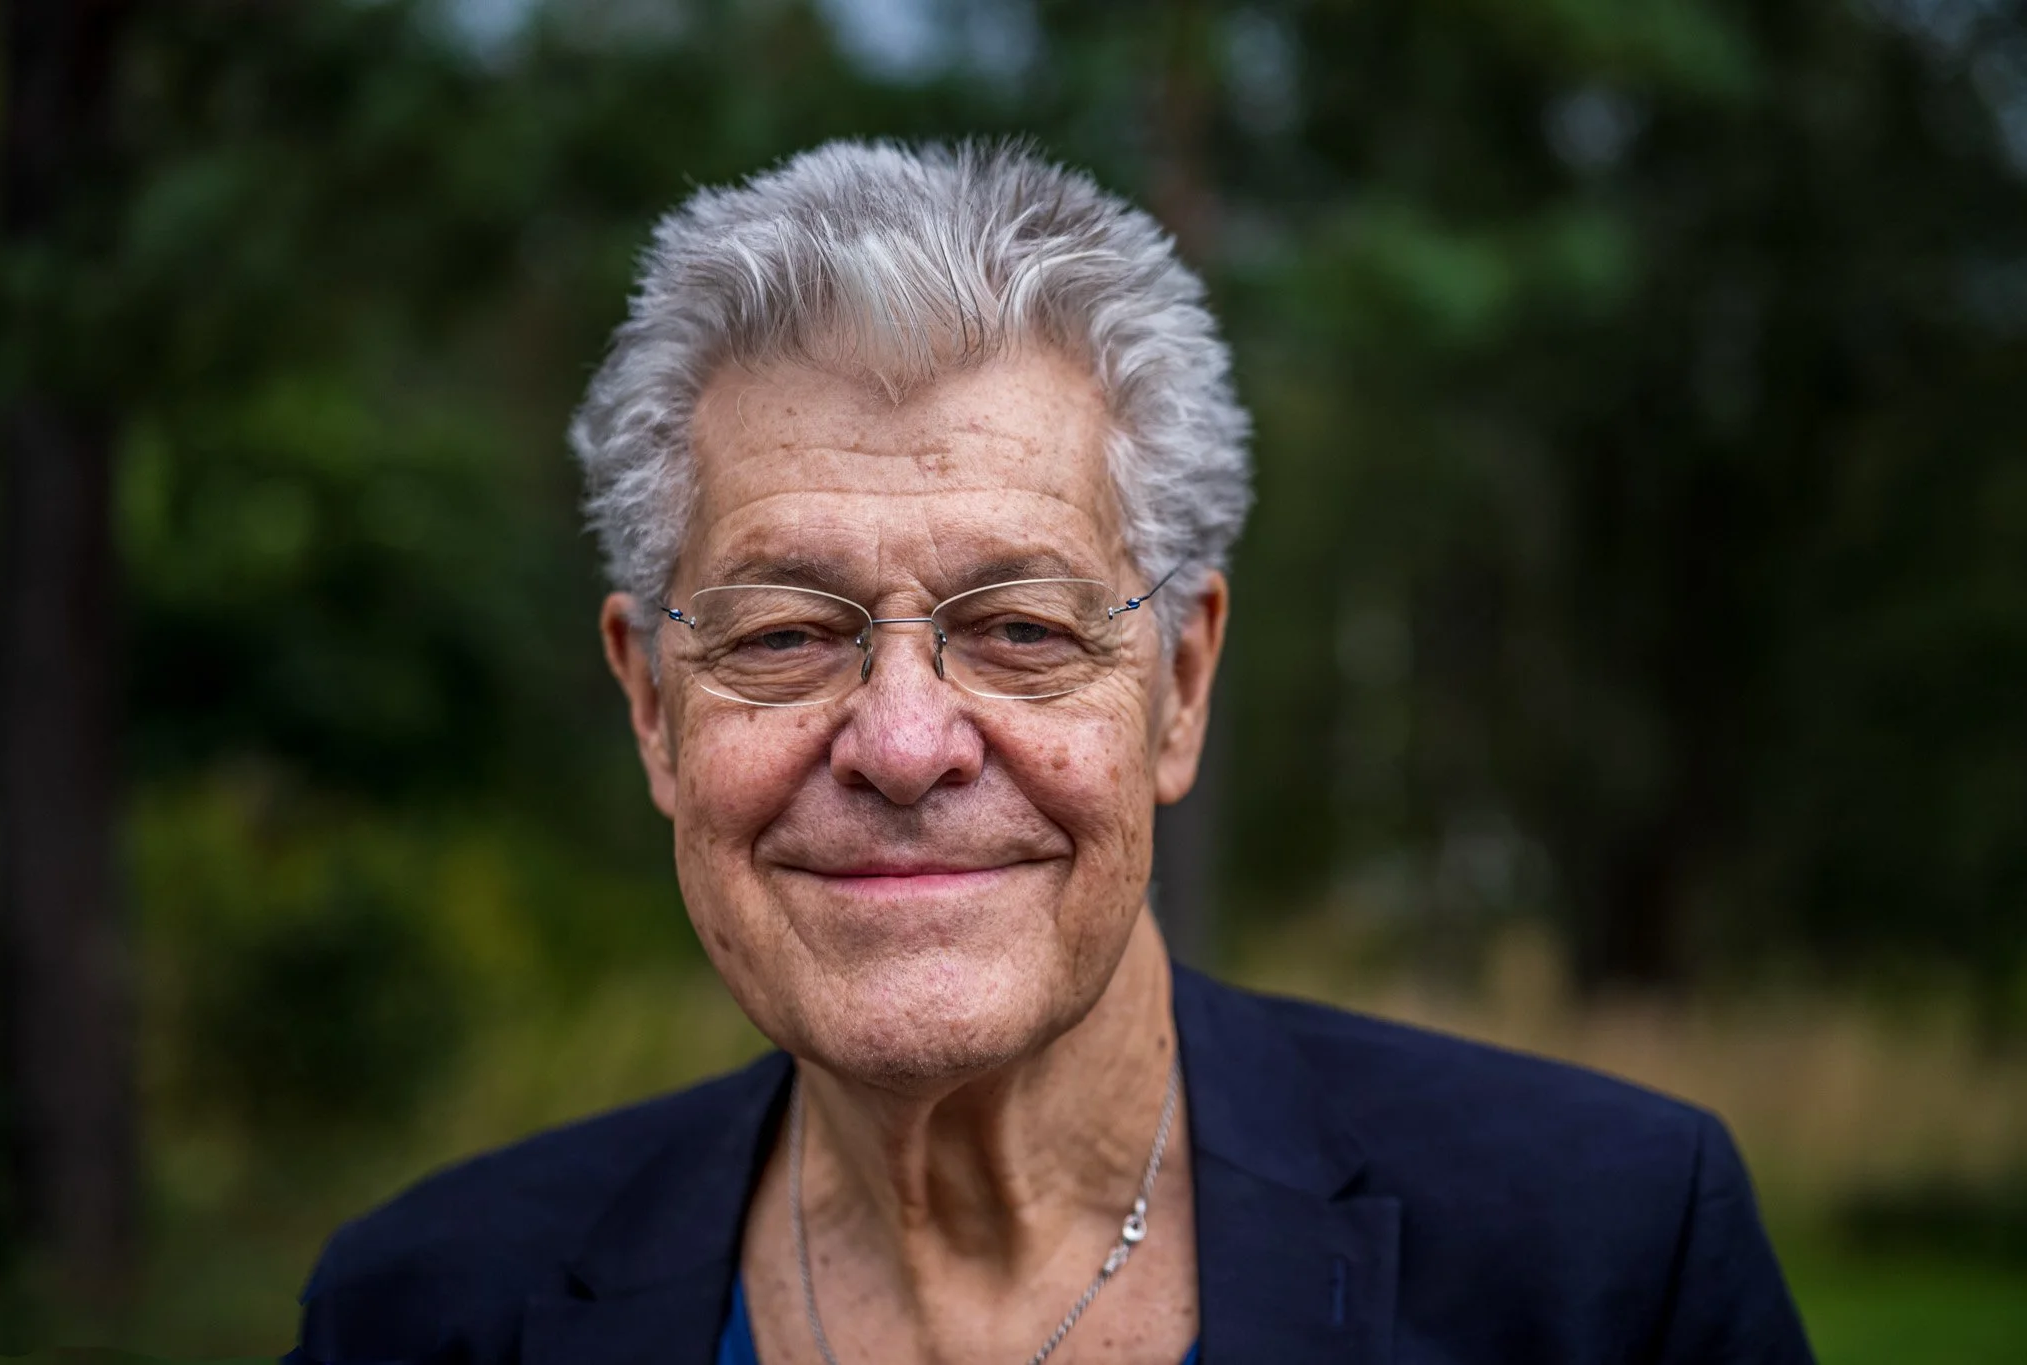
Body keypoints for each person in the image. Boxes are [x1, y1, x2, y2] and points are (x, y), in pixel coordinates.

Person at [288, 140, 1814, 1365]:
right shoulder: (421, 1316)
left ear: (1180, 685)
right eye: (785, 634)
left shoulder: (1607, 1265)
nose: (902, 745)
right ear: (651, 708)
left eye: (1019, 628)